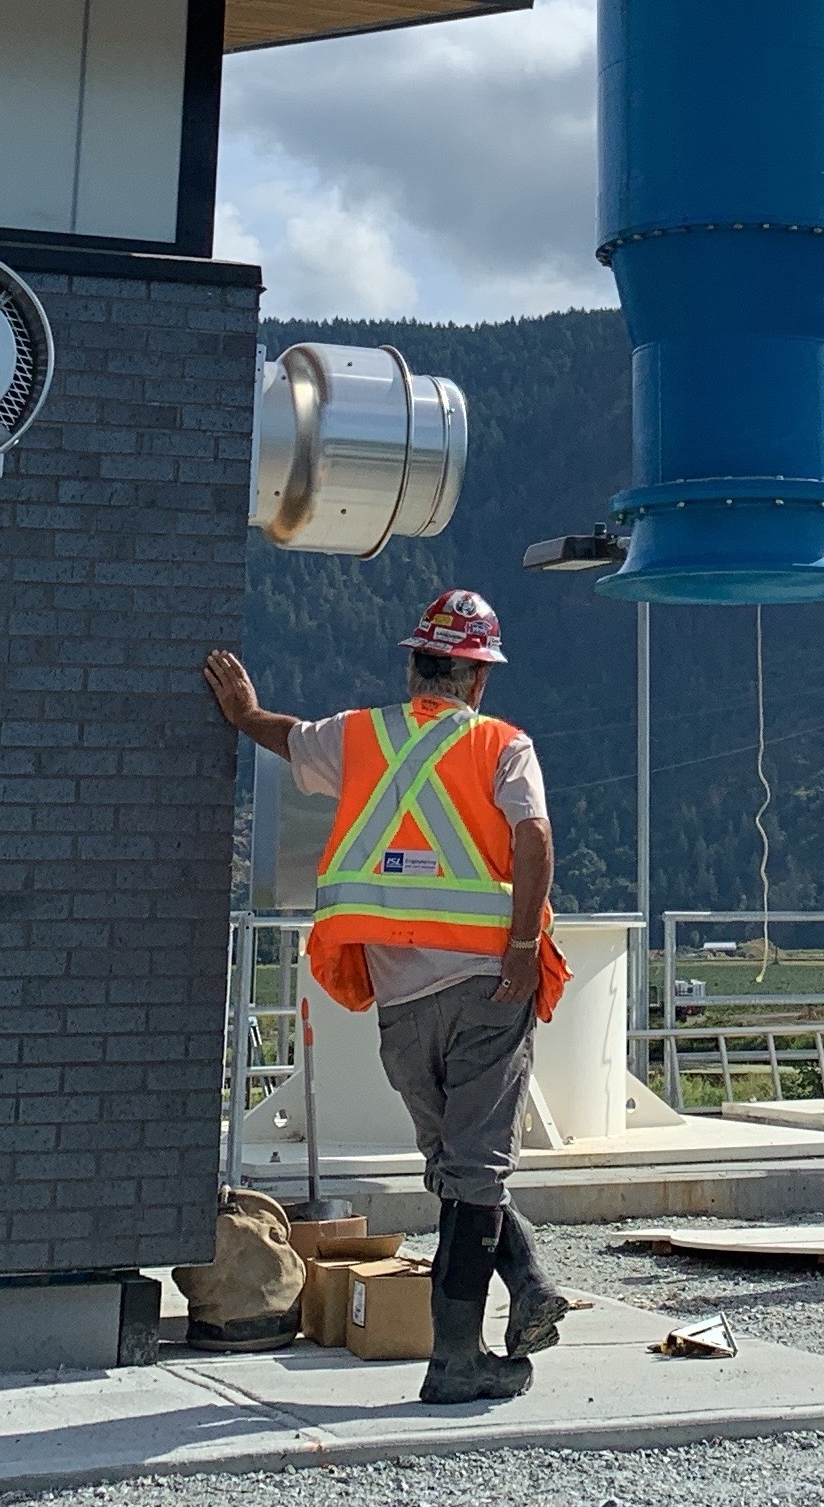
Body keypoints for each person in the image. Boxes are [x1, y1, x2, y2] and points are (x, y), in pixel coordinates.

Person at [203, 589, 569, 1405]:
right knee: (473, 1172)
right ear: (477, 678)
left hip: (401, 1005)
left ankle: (531, 1284)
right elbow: (534, 834)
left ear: (414, 667)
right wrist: (518, 947)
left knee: (454, 1164)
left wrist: (244, 712)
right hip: (486, 986)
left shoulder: (360, 735)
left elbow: (285, 737)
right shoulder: (505, 744)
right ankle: (457, 1360)